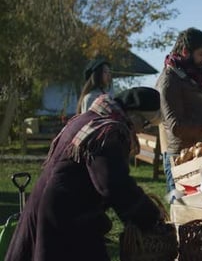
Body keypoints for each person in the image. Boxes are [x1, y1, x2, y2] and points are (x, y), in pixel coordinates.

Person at [6, 87, 164, 261]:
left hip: (57, 206)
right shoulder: (108, 131)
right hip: (64, 216)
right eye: (146, 123)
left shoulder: (91, 119)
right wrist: (149, 216)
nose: (142, 130)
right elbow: (113, 184)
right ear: (135, 115)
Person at [155, 27, 202, 201]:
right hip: (178, 158)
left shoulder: (190, 76)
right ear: (186, 52)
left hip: (196, 152)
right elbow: (176, 126)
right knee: (181, 210)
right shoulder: (169, 80)